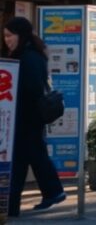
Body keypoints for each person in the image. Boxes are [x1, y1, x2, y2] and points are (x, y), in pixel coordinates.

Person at [3, 17, 66, 215]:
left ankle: (50, 192)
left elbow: (31, 89)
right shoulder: (30, 54)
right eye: (5, 36)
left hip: (26, 117)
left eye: (10, 35)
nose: (6, 40)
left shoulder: (28, 57)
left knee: (28, 158)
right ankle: (14, 204)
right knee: (24, 159)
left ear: (20, 35)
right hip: (27, 117)